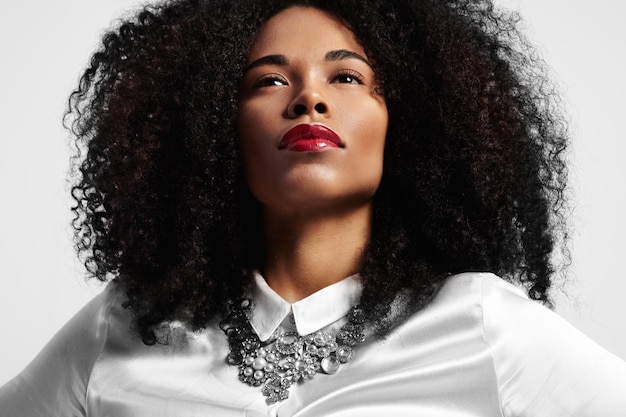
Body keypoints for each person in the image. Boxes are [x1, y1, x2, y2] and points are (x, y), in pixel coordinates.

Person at [1, 0, 625, 415]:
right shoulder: (126, 326)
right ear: (215, 132)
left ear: (406, 125)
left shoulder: (482, 324)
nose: (308, 99)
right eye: (269, 80)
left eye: (346, 78)